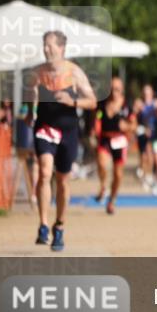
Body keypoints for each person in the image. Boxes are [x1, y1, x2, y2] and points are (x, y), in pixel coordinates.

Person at [25, 30, 98, 251]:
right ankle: (43, 225)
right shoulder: (37, 72)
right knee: (45, 172)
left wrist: (72, 102)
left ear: (61, 48)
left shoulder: (74, 73)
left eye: (50, 45)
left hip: (68, 131)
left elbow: (92, 101)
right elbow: (30, 93)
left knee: (63, 180)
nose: (46, 49)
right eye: (44, 45)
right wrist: (30, 110)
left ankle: (59, 226)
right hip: (44, 128)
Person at [93, 77, 134, 214]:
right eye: (111, 89)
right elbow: (97, 117)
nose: (114, 92)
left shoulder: (126, 105)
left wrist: (127, 126)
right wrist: (95, 129)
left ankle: (112, 200)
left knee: (118, 174)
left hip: (119, 140)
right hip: (105, 138)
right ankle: (103, 186)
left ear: (121, 90)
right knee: (101, 163)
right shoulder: (102, 103)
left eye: (117, 89)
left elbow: (134, 124)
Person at [14, 101, 38, 206]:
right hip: (31, 144)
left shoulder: (23, 108)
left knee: (32, 168)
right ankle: (33, 192)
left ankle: (33, 192)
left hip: (25, 144)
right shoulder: (28, 108)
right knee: (34, 167)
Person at [135, 84, 157, 187]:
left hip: (152, 132)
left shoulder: (155, 103)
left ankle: (149, 174)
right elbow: (134, 114)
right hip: (142, 131)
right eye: (145, 92)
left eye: (148, 92)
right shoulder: (139, 103)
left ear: (152, 93)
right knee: (143, 156)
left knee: (150, 154)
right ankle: (143, 173)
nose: (146, 94)